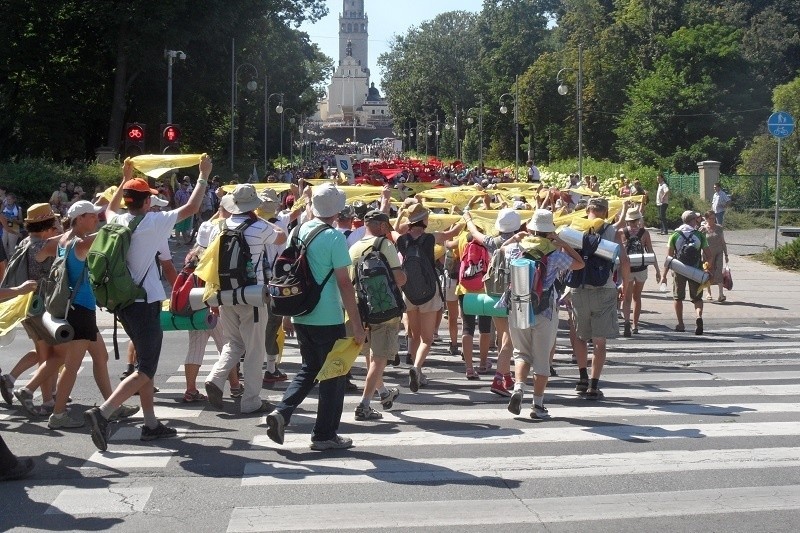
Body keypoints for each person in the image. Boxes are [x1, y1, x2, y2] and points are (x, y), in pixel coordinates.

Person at [83, 155, 210, 452]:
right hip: (145, 303)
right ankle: (103, 413)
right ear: (145, 202)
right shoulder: (153, 223)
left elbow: (110, 209)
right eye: (150, 198)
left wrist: (124, 179)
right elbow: (191, 208)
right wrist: (203, 175)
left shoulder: (118, 220)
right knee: (145, 369)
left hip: (124, 302)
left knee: (145, 365)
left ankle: (150, 424)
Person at [14, 201, 139, 428]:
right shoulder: (81, 243)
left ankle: (112, 406)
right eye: (92, 216)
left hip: (77, 309)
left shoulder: (61, 241)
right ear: (79, 218)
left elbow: (41, 254)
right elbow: (115, 232)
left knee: (101, 357)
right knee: (71, 366)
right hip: (80, 310)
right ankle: (58, 415)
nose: (96, 219)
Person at [265, 183, 367, 451]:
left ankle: (282, 411)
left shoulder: (297, 231)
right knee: (333, 376)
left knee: (309, 369)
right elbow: (345, 284)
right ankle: (324, 435)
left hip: (301, 314)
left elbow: (289, 273)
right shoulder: (333, 237)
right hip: (328, 316)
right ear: (337, 210)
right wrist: (356, 325)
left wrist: (288, 315)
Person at [202, 184, 286, 414]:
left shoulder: (220, 226)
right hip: (253, 296)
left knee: (234, 343)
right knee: (255, 349)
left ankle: (215, 377)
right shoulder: (259, 227)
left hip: (226, 294)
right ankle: (251, 401)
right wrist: (262, 217)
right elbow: (281, 237)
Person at [506, 210, 584, 418]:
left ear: (530, 229)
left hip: (519, 306)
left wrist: (515, 237)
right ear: (550, 231)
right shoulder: (556, 253)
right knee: (541, 359)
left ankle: (518, 388)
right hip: (545, 309)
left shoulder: (516, 248)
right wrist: (563, 243)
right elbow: (579, 264)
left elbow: (498, 252)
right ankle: (538, 405)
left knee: (521, 353)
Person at [396, 203, 462, 391]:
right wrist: (465, 217)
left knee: (414, 335)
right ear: (424, 220)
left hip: (409, 291)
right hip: (429, 290)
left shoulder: (402, 240)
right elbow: (453, 233)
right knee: (427, 338)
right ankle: (417, 368)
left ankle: (418, 371)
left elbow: (392, 231)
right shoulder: (431, 238)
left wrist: (401, 215)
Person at [349, 210, 406, 420]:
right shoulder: (385, 245)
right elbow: (399, 278)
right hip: (384, 308)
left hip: (360, 308)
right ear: (382, 226)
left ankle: (383, 393)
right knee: (379, 358)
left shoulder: (354, 247)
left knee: (370, 355)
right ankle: (364, 405)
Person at [571, 197, 630, 400]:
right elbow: (624, 260)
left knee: (579, 335)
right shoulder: (612, 231)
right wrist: (624, 285)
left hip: (579, 288)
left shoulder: (574, 227)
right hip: (604, 288)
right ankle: (594, 385)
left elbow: (563, 255)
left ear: (587, 209)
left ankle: (581, 378)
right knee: (599, 340)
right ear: (605, 212)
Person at [463, 207, 520, 395]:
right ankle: (498, 379)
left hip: (494, 294)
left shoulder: (493, 242)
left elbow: (474, 233)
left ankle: (507, 376)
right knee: (509, 341)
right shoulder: (522, 244)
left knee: (503, 335)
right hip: (513, 296)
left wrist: (468, 218)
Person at [665, 210, 708, 334]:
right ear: (692, 220)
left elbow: (669, 257)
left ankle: (680, 323)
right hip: (696, 270)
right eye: (696, 220)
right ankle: (698, 316)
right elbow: (708, 254)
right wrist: (707, 268)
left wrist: (665, 274)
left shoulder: (675, 235)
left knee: (678, 297)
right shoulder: (699, 235)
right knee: (697, 298)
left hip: (679, 269)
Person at [620, 207, 661, 335]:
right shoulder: (644, 233)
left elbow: (618, 252)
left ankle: (626, 321)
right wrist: (657, 269)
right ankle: (635, 325)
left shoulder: (622, 232)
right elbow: (650, 251)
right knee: (637, 297)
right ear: (638, 219)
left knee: (626, 298)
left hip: (627, 268)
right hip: (641, 267)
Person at [701, 210, 728, 302]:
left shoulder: (719, 228)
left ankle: (721, 294)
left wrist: (726, 254)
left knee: (719, 271)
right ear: (706, 219)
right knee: (708, 272)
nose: (713, 220)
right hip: (707, 254)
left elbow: (723, 241)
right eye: (711, 218)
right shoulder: (703, 229)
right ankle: (708, 292)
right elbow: (699, 242)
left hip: (719, 253)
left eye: (714, 218)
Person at [1, 193, 22, 258]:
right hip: (4, 227)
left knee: (11, 248)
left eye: (10, 199)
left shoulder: (18, 208)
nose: (8, 201)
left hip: (14, 227)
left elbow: (21, 221)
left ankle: (11, 264)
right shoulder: (3, 207)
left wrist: (14, 220)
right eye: (7, 199)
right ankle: (5, 263)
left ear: (14, 200)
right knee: (3, 246)